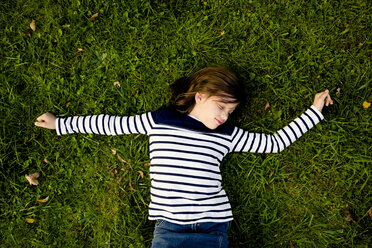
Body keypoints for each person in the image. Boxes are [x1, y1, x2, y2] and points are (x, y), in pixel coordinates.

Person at [35, 66, 333, 248]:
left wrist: (314, 111)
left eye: (230, 112)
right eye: (221, 107)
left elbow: (274, 143)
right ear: (200, 96)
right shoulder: (160, 120)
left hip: (212, 228)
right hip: (168, 231)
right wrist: (62, 124)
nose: (224, 116)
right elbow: (111, 124)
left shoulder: (227, 134)